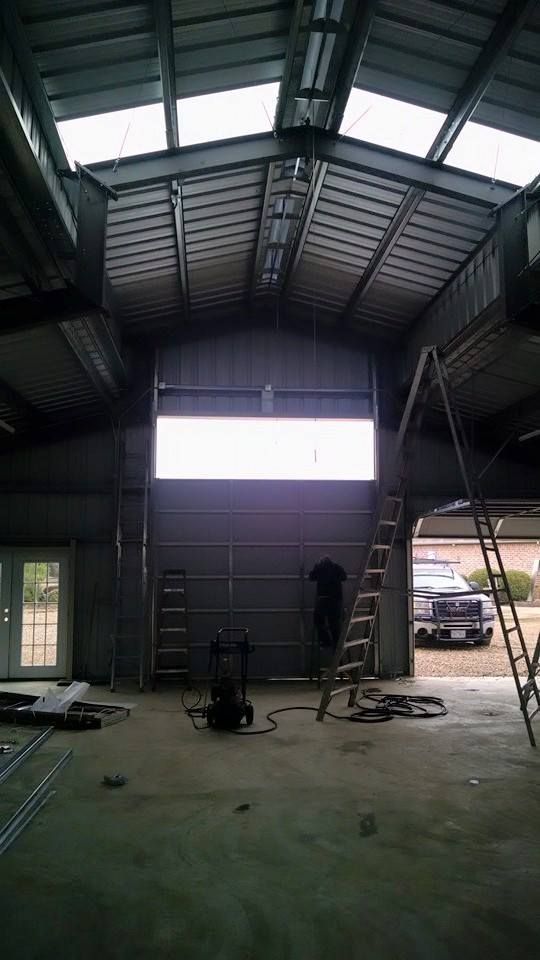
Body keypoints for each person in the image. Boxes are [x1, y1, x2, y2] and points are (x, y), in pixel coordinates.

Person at [309, 555, 347, 651]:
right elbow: (344, 577)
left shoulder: (320, 568)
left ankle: (325, 641)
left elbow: (311, 577)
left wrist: (316, 567)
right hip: (335, 600)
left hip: (323, 599)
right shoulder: (336, 567)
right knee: (334, 625)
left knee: (318, 620)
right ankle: (336, 648)